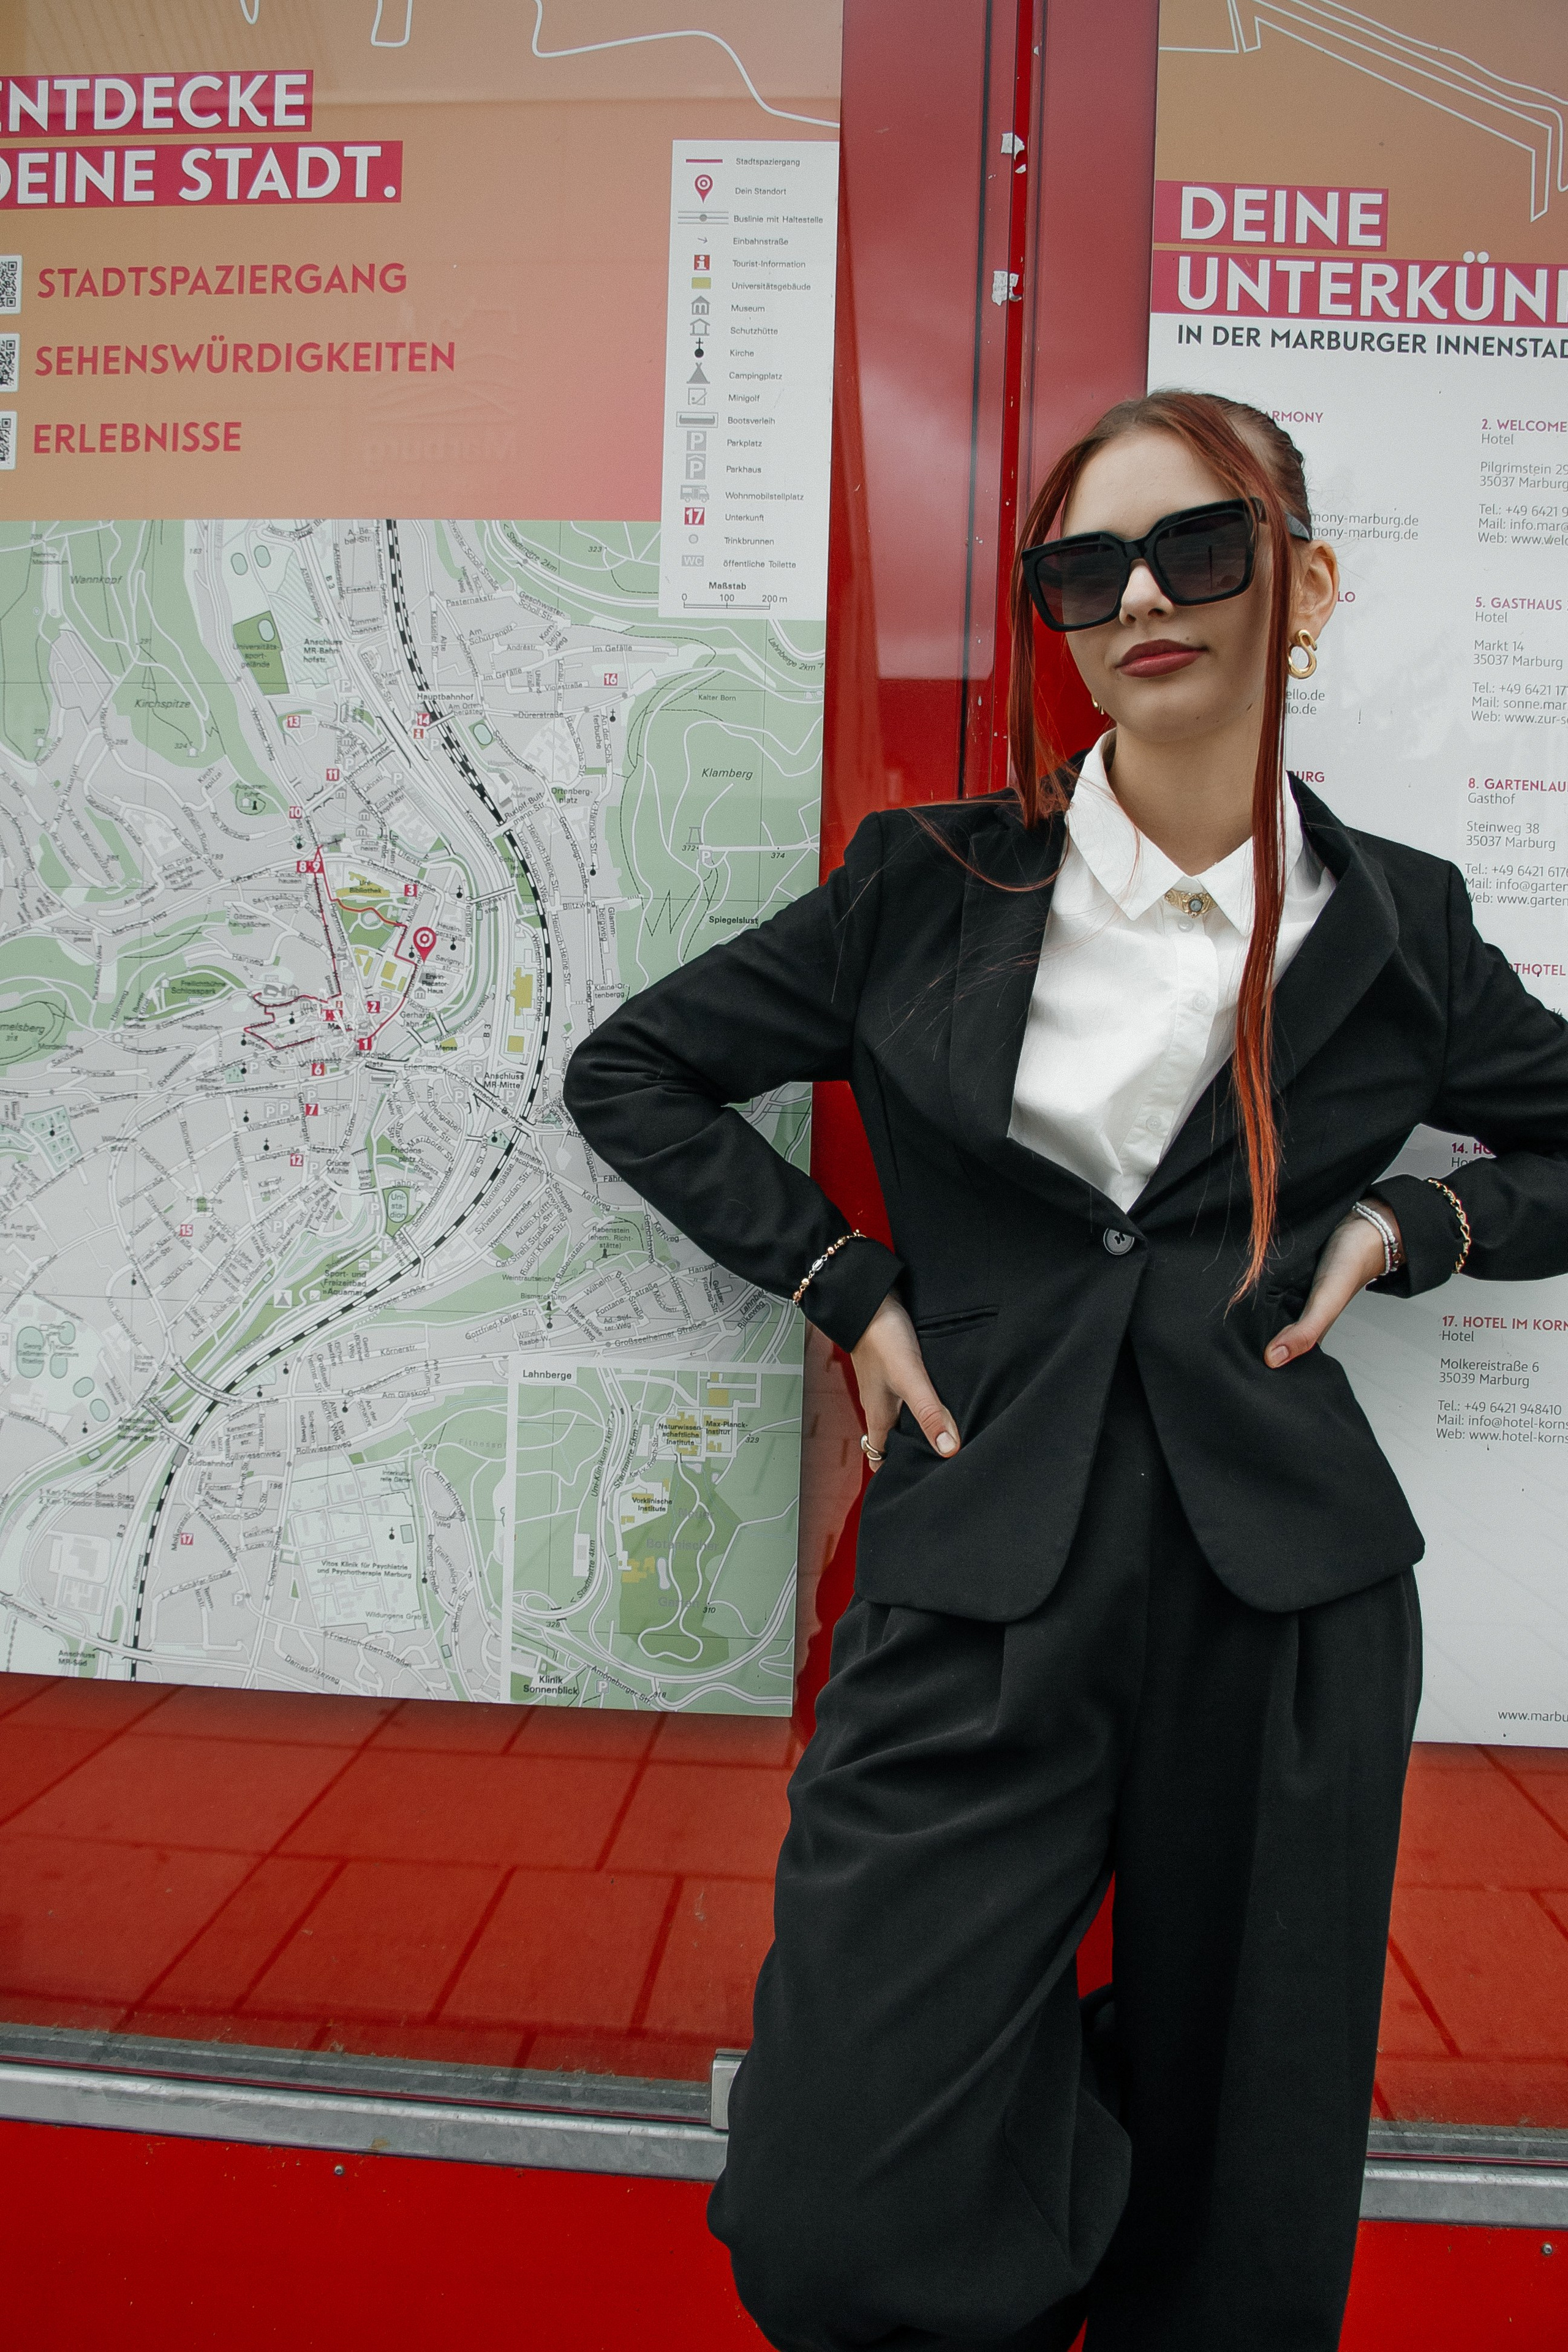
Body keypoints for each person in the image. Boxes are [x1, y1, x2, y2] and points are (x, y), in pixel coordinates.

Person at [563, 390, 1568, 2351]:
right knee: (833, 2216)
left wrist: (1414, 1229)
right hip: (972, 1575)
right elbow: (637, 1071)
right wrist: (844, 1279)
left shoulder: (1399, 923)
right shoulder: (929, 883)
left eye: (1199, 546)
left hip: (1279, 1601)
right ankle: (1025, 2178)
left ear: (1305, 580)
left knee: (1245, 2213)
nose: (1139, 599)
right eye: (1081, 571)